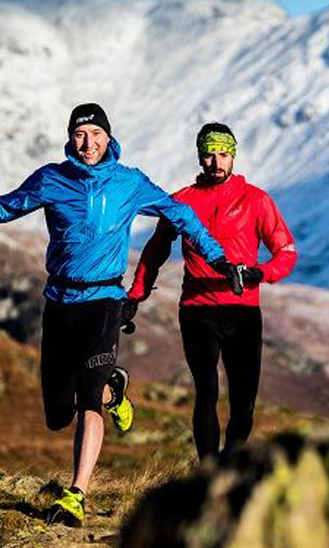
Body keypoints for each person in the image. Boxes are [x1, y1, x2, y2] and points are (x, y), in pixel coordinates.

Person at [0, 104, 239, 528]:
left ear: (109, 137)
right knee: (58, 413)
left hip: (105, 301)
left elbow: (181, 215)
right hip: (60, 302)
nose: (88, 143)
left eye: (95, 134)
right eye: (80, 134)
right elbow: (6, 206)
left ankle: (77, 493)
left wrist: (218, 260)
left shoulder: (129, 182)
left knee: (88, 395)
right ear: (70, 139)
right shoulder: (52, 179)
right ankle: (115, 389)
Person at [127, 122, 297, 461]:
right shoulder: (183, 202)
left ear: (233, 156)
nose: (216, 162)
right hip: (197, 309)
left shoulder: (256, 200)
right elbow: (155, 250)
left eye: (223, 154)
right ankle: (208, 471)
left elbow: (286, 251)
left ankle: (231, 465)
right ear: (200, 158)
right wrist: (136, 294)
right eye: (209, 155)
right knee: (206, 389)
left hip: (243, 310)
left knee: (243, 400)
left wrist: (260, 274)